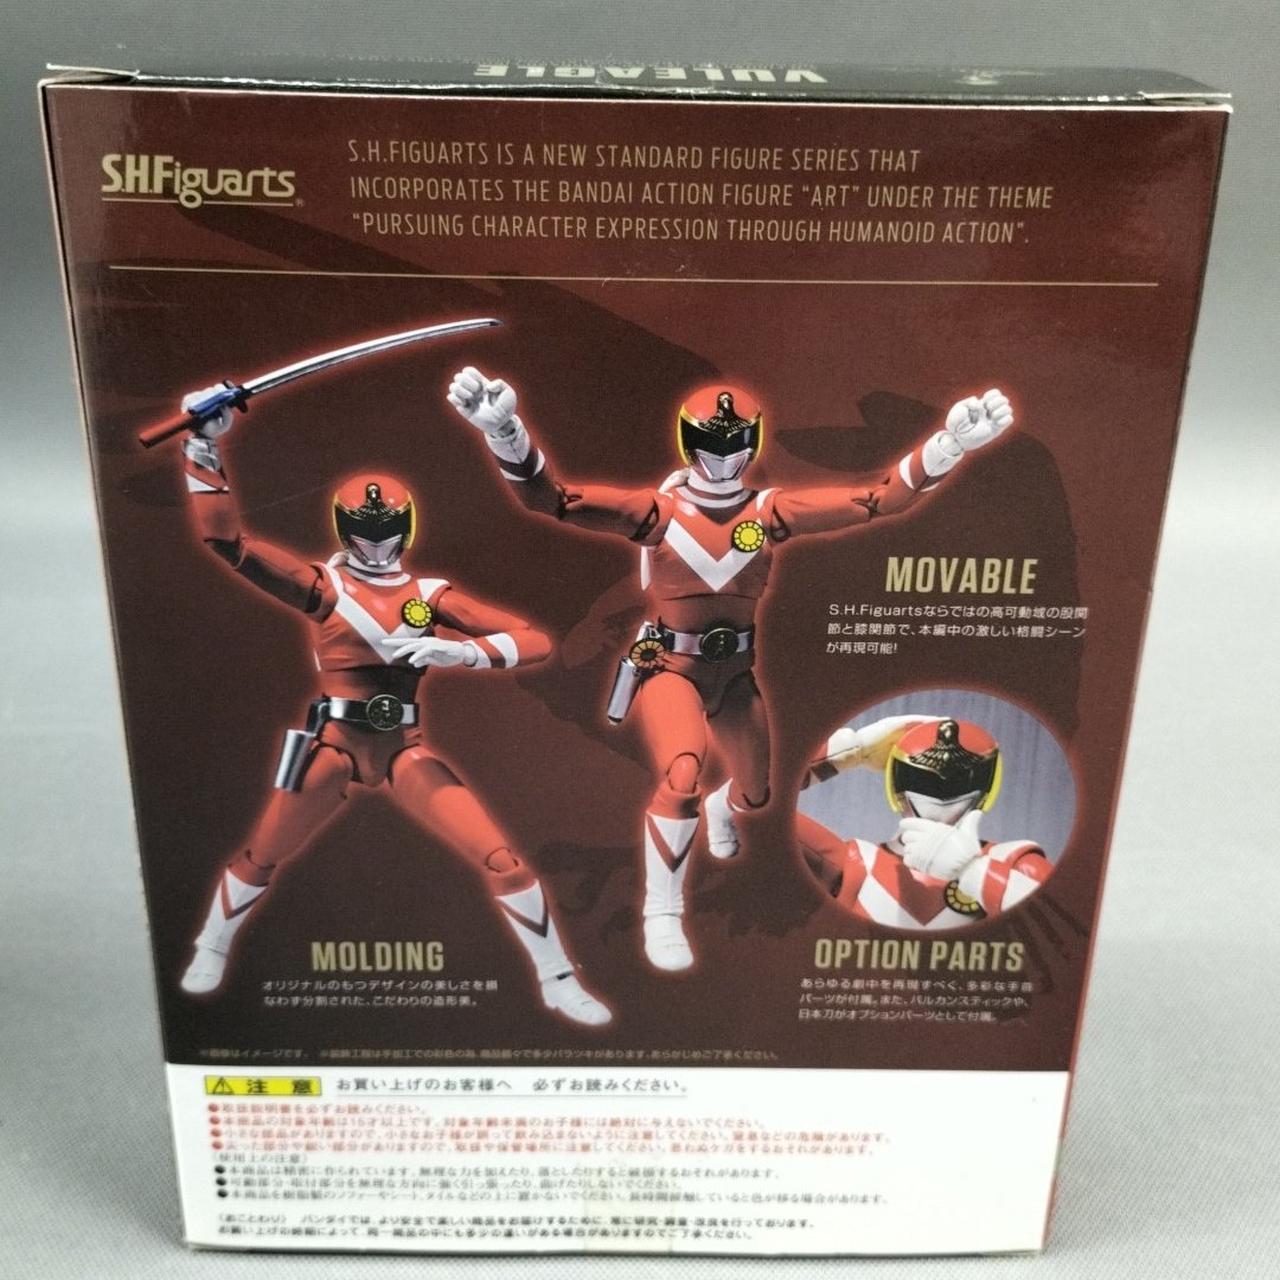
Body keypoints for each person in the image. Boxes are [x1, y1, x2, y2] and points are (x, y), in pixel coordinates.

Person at [447, 367, 1014, 969]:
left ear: (754, 441)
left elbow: (880, 499)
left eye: (736, 442)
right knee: (681, 774)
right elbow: (552, 499)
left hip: (737, 676)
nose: (723, 456)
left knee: (755, 794)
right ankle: (663, 913)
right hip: (671, 669)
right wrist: (504, 432)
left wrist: (950, 445)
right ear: (689, 441)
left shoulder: (769, 512)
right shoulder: (658, 513)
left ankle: (725, 808)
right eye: (712, 443)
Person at [175, 387, 611, 1026]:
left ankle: (558, 978)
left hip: (404, 749)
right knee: (262, 854)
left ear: (404, 528)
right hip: (334, 746)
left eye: (385, 532)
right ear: (344, 529)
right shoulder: (324, 587)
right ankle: (211, 944)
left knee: (502, 858)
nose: (375, 545)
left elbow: (534, 639)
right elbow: (228, 544)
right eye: (363, 532)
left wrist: (464, 652)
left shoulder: (429, 595)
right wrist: (202, 449)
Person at [798, 715, 1052, 928]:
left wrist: (973, 870)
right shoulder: (858, 862)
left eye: (959, 782)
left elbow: (1064, 925)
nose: (940, 796)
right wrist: (849, 748)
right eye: (923, 781)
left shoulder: (1013, 862)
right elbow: (770, 809)